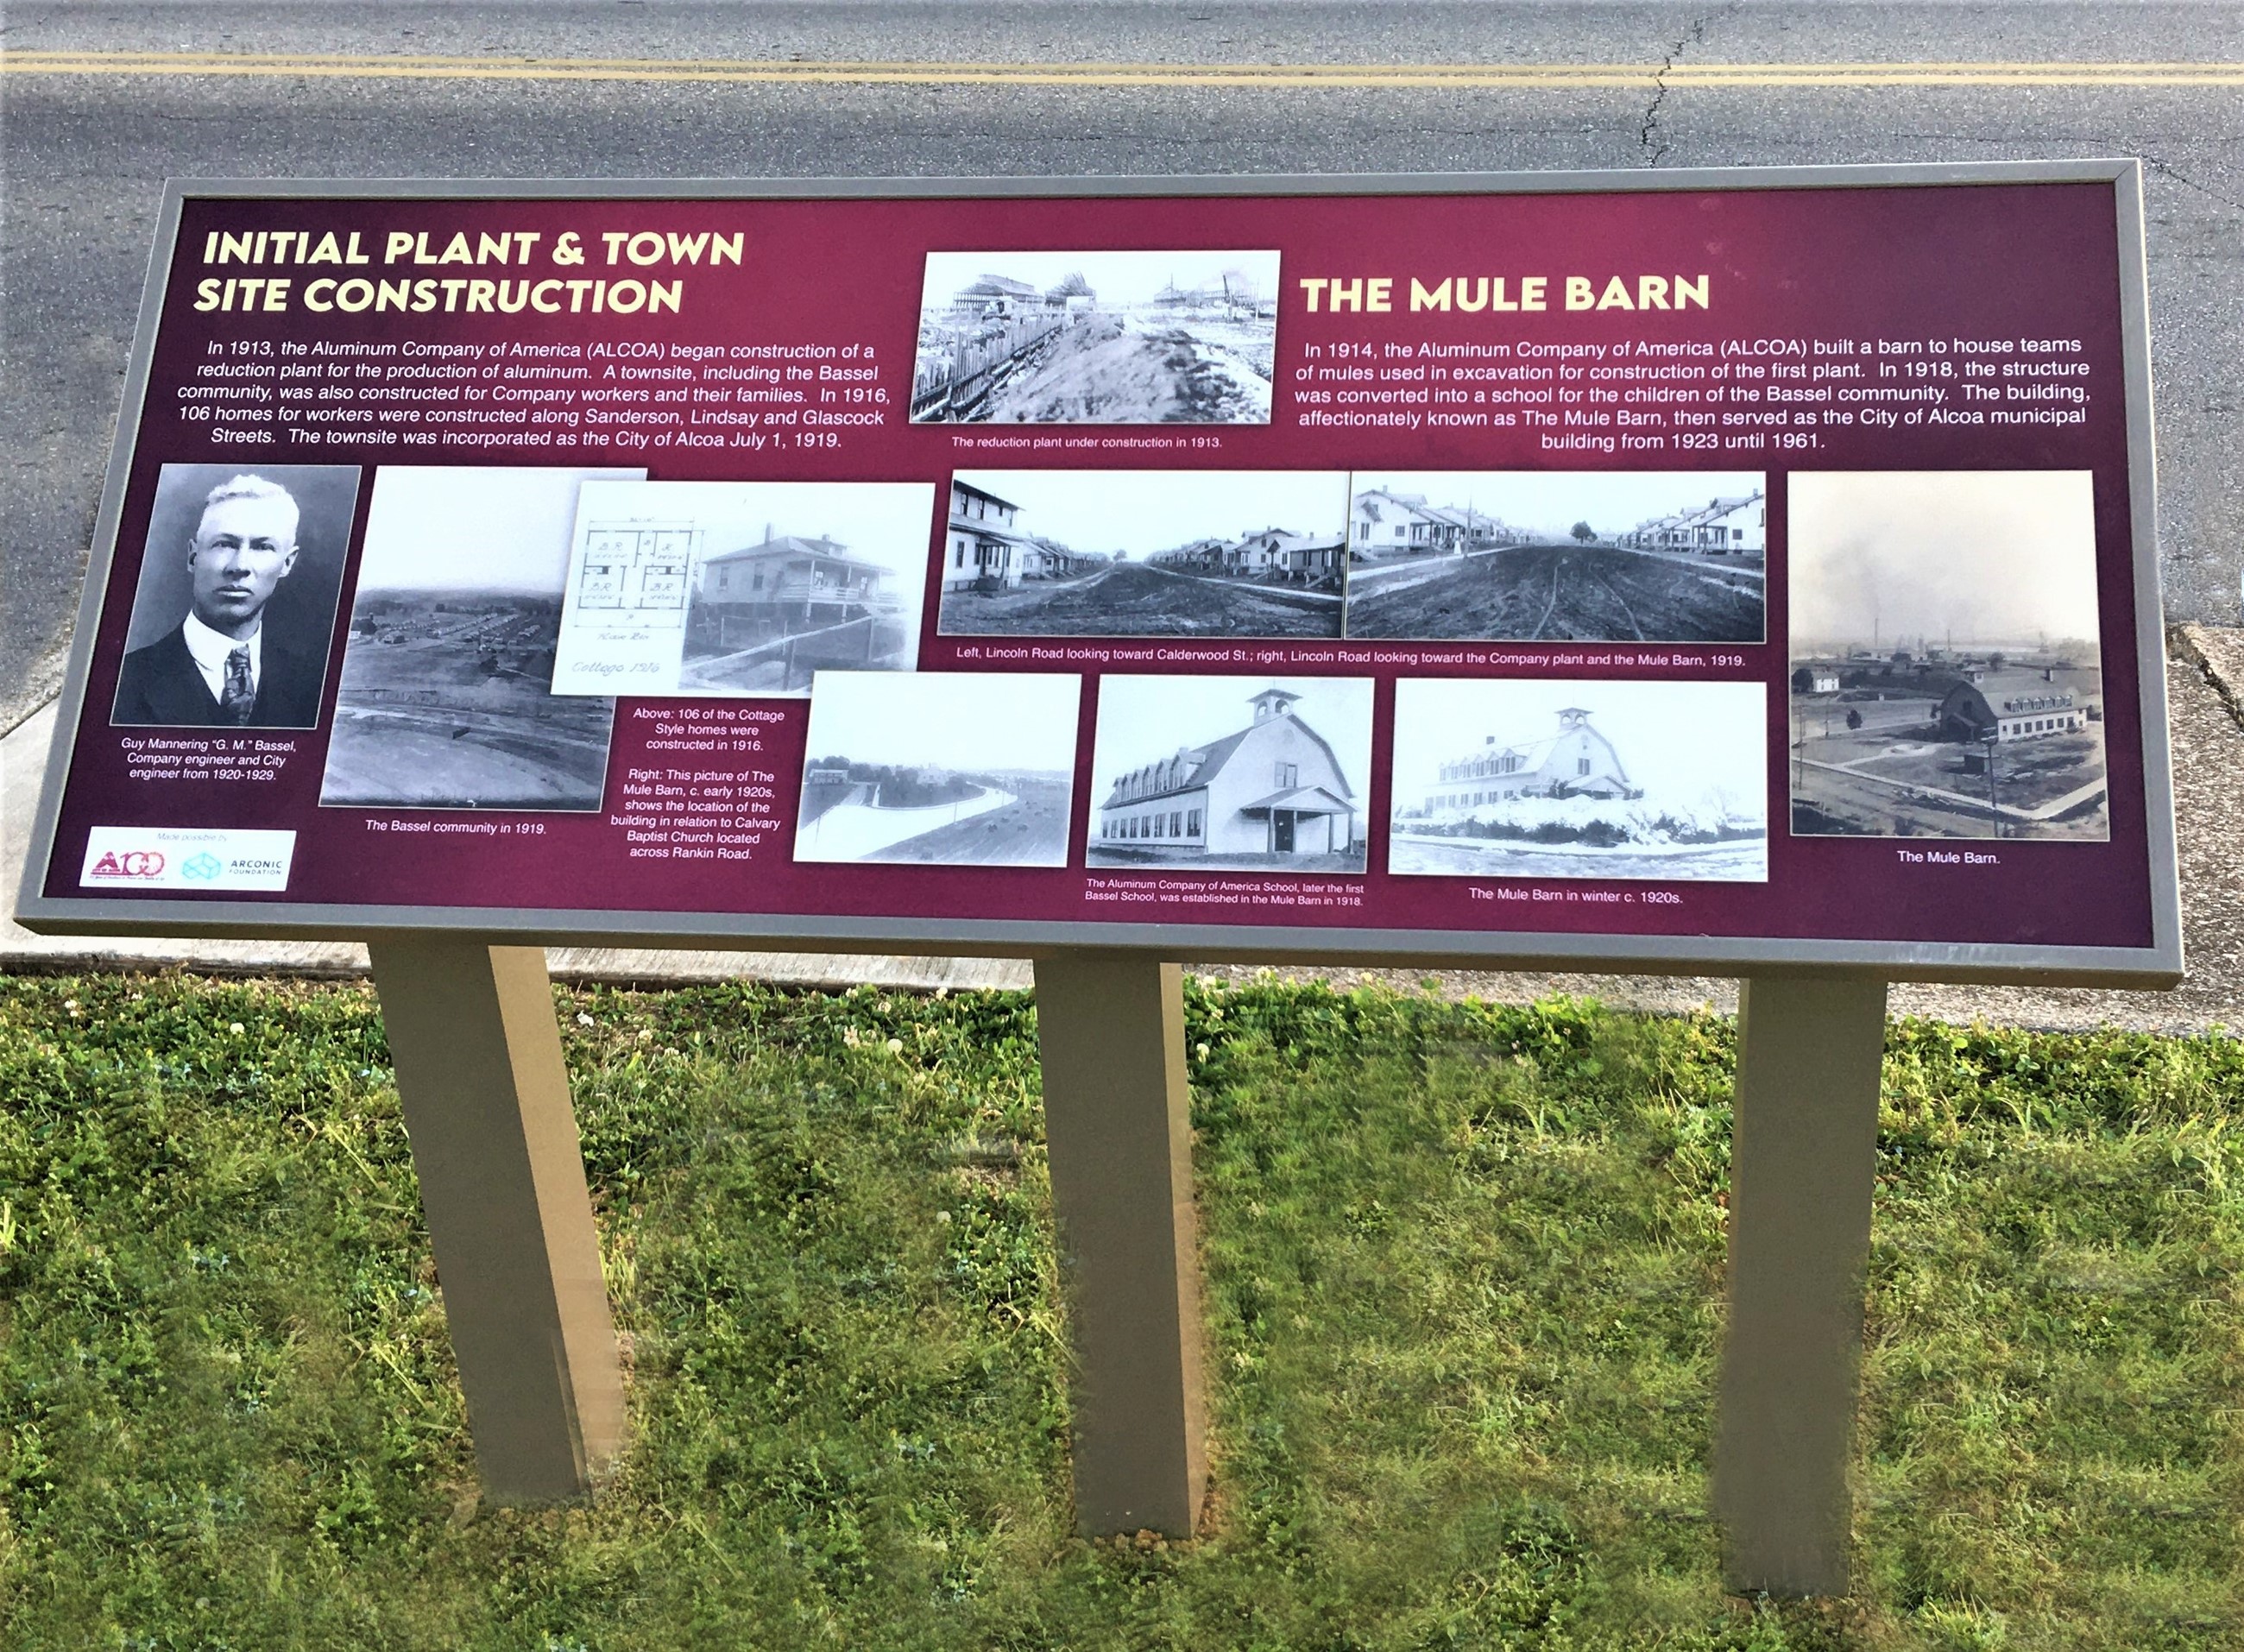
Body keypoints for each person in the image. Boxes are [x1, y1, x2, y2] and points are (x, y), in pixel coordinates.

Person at [112, 473, 328, 727]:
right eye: (225, 544)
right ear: (193, 557)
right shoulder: (122, 680)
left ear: (287, 563)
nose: (239, 566)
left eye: (262, 547)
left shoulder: (313, 684)